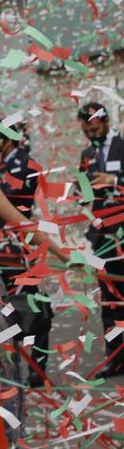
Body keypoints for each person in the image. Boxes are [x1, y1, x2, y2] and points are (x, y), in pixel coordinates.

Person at [0, 121, 53, 387]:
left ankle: (37, 369)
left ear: (7, 141)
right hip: (1, 247)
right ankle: (21, 364)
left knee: (33, 305)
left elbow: (11, 202)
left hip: (20, 246)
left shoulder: (24, 164)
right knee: (11, 306)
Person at [77, 101, 124, 379]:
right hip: (101, 237)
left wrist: (114, 180)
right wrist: (82, 190)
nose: (92, 132)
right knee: (109, 301)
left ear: (106, 122)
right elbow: (84, 195)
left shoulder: (122, 145)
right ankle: (116, 360)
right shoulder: (86, 154)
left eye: (95, 126)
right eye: (87, 129)